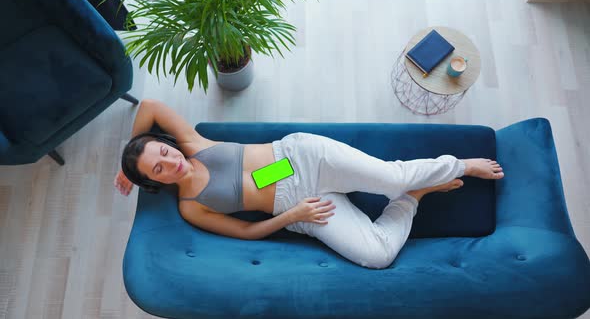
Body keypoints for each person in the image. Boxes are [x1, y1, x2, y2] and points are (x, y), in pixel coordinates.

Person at [114, 99, 504, 269]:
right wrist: (294, 215)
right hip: (298, 209)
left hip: (299, 160)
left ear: (165, 145)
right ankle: (415, 195)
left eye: (162, 154)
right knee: (377, 257)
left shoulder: (193, 144)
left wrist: (126, 160)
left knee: (391, 177)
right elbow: (247, 231)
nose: (170, 164)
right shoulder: (191, 206)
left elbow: (149, 106)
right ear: (154, 183)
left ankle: (461, 166)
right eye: (157, 171)